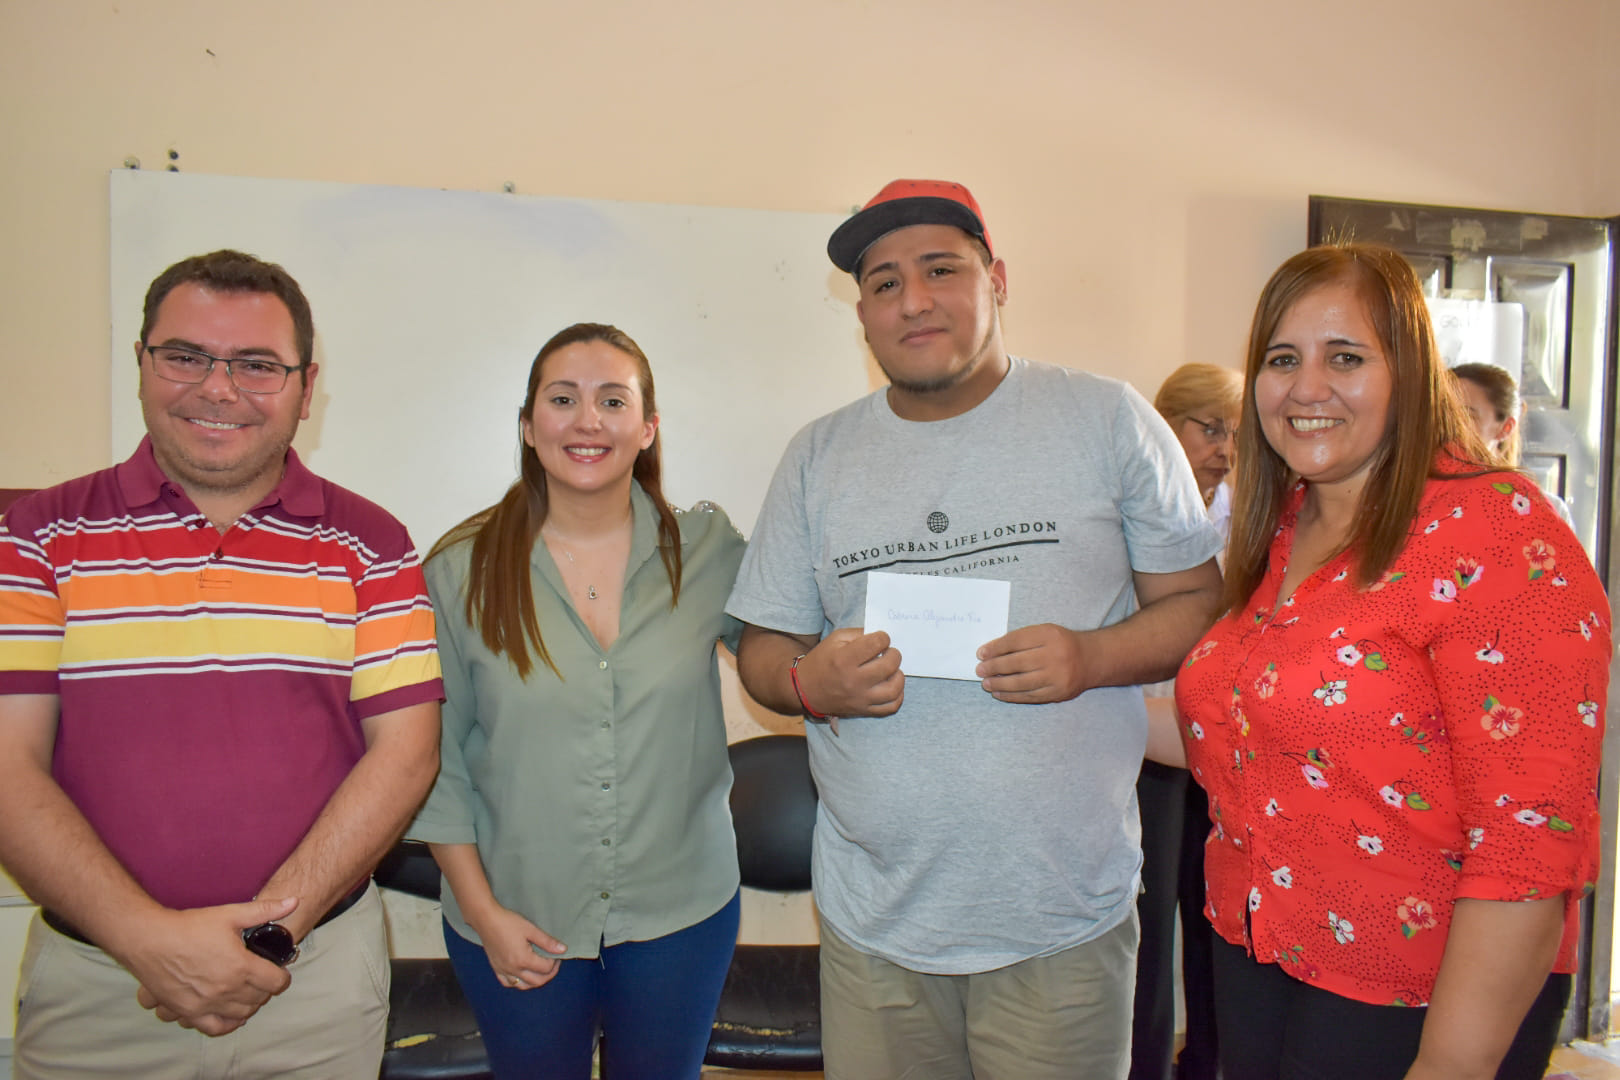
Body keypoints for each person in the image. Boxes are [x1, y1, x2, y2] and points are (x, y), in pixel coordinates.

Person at [725, 178, 1225, 1078]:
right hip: (875, 927)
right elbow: (764, 647)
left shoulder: (1108, 419)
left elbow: (1198, 605)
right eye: (883, 283)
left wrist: (1091, 657)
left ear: (997, 279)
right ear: (863, 314)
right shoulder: (817, 456)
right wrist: (808, 683)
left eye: (940, 269)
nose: (913, 300)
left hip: (1062, 921)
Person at [1161, 243, 1608, 1080]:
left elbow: (1529, 843)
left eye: (1346, 358)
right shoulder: (1287, 525)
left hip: (1418, 991)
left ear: (1410, 371)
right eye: (1282, 359)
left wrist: (1450, 1065)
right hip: (1258, 951)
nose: (1307, 388)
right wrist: (1051, 684)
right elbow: (1246, 726)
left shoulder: (1497, 531)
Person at [0, 249, 444, 1078]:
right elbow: (6, 764)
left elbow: (407, 753)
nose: (218, 388)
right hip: (101, 987)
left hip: (310, 981)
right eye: (186, 356)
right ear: (142, 363)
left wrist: (267, 938)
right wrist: (145, 940)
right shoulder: (35, 536)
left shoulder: (373, 545)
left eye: (257, 365)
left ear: (306, 388)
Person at [407, 323, 745, 1079]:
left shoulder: (709, 550)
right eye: (562, 400)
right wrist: (483, 914)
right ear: (529, 427)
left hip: (680, 915)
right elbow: (435, 760)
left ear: (647, 427)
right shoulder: (459, 572)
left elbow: (786, 640)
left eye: (613, 401)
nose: (588, 420)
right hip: (516, 914)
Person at [1133, 362, 1241, 1080]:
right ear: (1165, 423)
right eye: (1210, 429)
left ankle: (1207, 1063)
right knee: (1147, 922)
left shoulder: (1252, 514)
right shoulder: (1136, 502)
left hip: (1224, 743)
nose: (1225, 450)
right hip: (1148, 737)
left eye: (1236, 434)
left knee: (1215, 921)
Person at [1450, 361, 1575, 527]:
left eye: (1466, 415)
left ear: (1505, 428)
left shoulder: (1546, 513)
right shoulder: (1421, 500)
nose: (1449, 424)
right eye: (1443, 412)